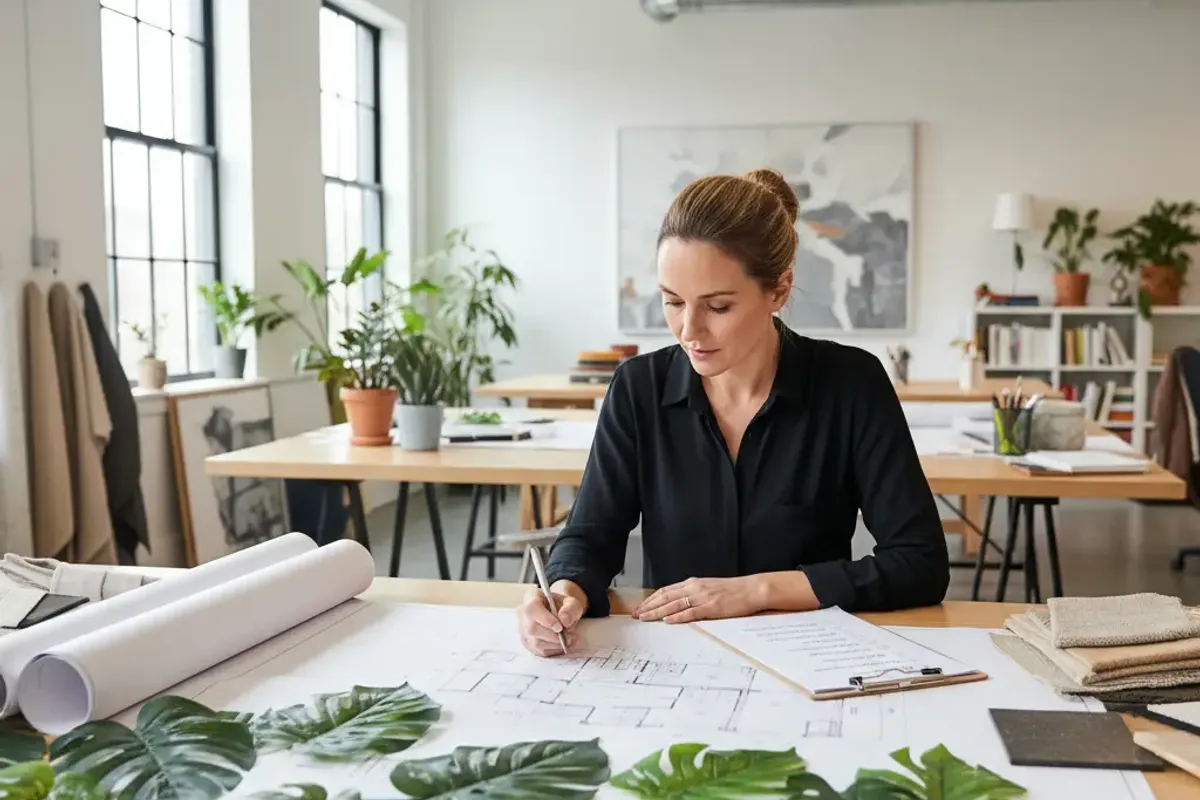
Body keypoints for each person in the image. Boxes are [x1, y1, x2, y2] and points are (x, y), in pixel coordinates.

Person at [516, 168, 949, 657]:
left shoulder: (852, 382)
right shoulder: (638, 388)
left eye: (717, 307)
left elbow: (919, 564)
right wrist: (564, 592)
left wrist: (756, 590)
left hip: (812, 654)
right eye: (673, 302)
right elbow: (591, 536)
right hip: (676, 657)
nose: (688, 330)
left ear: (779, 291)